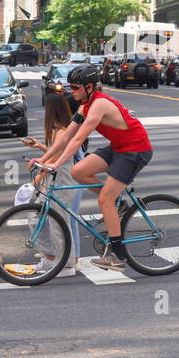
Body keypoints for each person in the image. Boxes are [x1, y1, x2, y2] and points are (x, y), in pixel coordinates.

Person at [34, 64, 153, 271]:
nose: (72, 92)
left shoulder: (99, 105)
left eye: (75, 88)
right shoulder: (84, 107)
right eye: (70, 87)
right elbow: (66, 136)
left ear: (89, 86)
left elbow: (79, 139)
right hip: (118, 148)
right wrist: (45, 160)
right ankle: (117, 199)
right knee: (78, 171)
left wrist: (56, 164)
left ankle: (117, 256)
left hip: (135, 150)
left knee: (103, 200)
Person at [21, 92, 85, 277]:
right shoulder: (58, 131)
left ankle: (66, 265)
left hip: (61, 179)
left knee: (59, 222)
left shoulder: (63, 132)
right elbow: (53, 154)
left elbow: (54, 161)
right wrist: (40, 147)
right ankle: (51, 259)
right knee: (37, 218)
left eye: (46, 109)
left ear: (52, 111)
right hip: (54, 179)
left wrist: (34, 183)